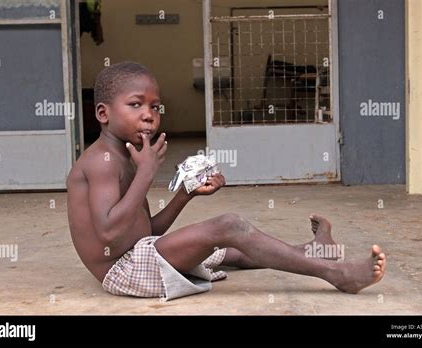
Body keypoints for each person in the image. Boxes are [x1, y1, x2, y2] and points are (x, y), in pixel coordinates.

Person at [66, 62, 386, 301]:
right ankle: (339, 274)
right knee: (229, 226)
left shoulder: (127, 154)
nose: (148, 114)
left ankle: (314, 251)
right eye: (135, 104)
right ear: (103, 114)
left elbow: (144, 233)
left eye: (154, 106)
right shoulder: (101, 162)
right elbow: (110, 232)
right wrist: (147, 173)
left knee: (229, 250)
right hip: (122, 272)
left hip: (139, 255)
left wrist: (184, 195)